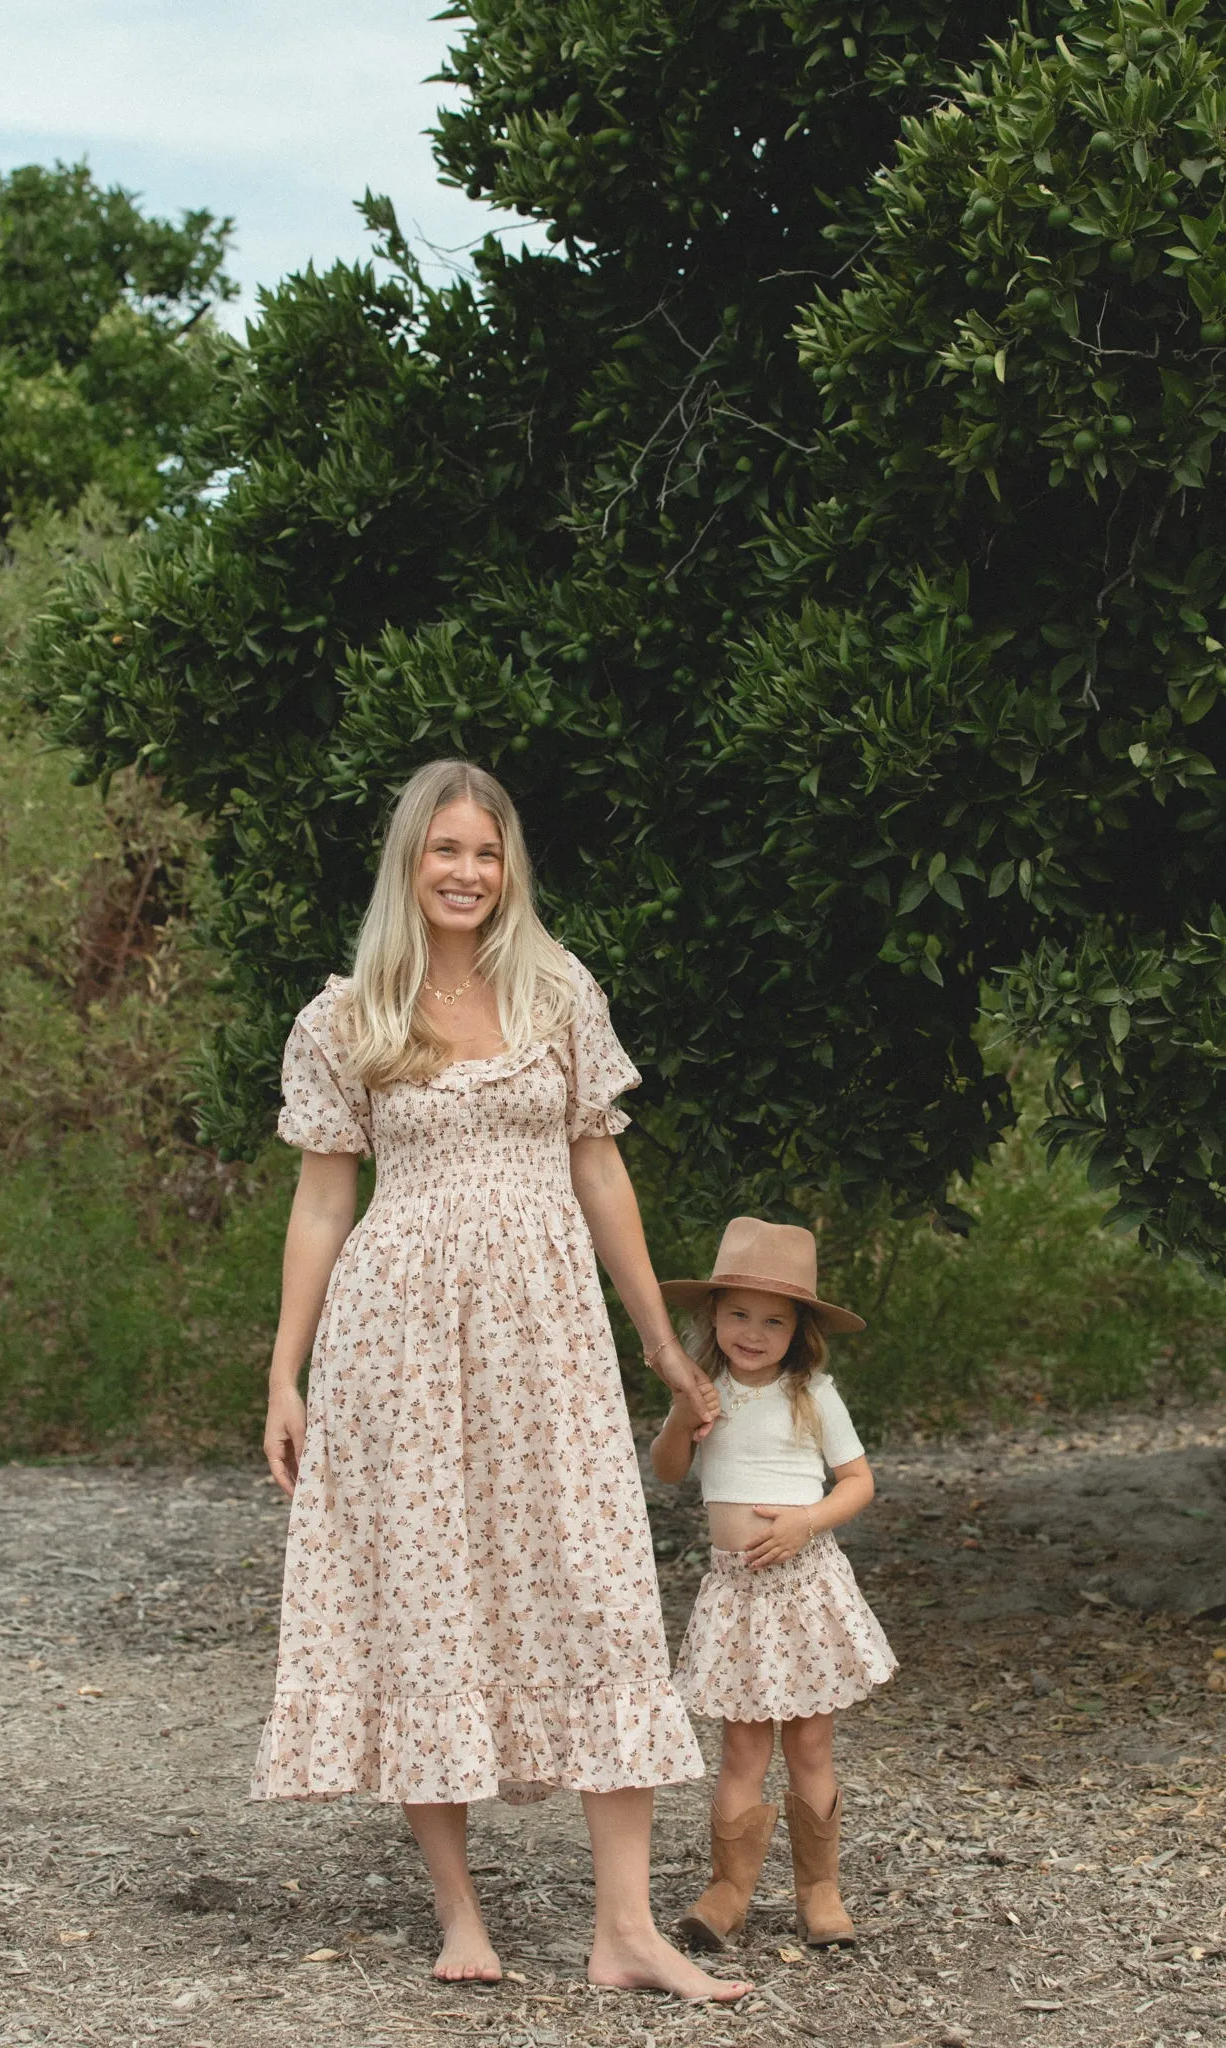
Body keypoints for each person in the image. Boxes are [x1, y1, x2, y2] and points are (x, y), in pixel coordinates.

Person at [252, 758, 751, 2003]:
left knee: (593, 1585)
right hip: (396, 1340)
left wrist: (660, 1340)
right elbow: (323, 1202)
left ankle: (626, 1926)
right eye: (444, 851)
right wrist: (284, 1370)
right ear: (407, 865)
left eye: (487, 851)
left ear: (508, 865)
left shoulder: (558, 990)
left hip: (548, 1337)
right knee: (425, 1590)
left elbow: (601, 1175)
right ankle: (460, 1911)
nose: (467, 872)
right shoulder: (346, 1015)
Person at [649, 1217, 896, 1952]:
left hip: (803, 1587)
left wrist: (806, 1522)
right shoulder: (705, 1391)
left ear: (798, 1330)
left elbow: (858, 1482)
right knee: (741, 1750)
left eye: (772, 1320)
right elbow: (667, 1470)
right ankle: (728, 1891)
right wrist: (678, 1415)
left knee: (810, 1746)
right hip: (735, 1596)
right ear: (712, 1315)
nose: (752, 1332)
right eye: (737, 1314)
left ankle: (819, 1892)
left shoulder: (811, 1394)